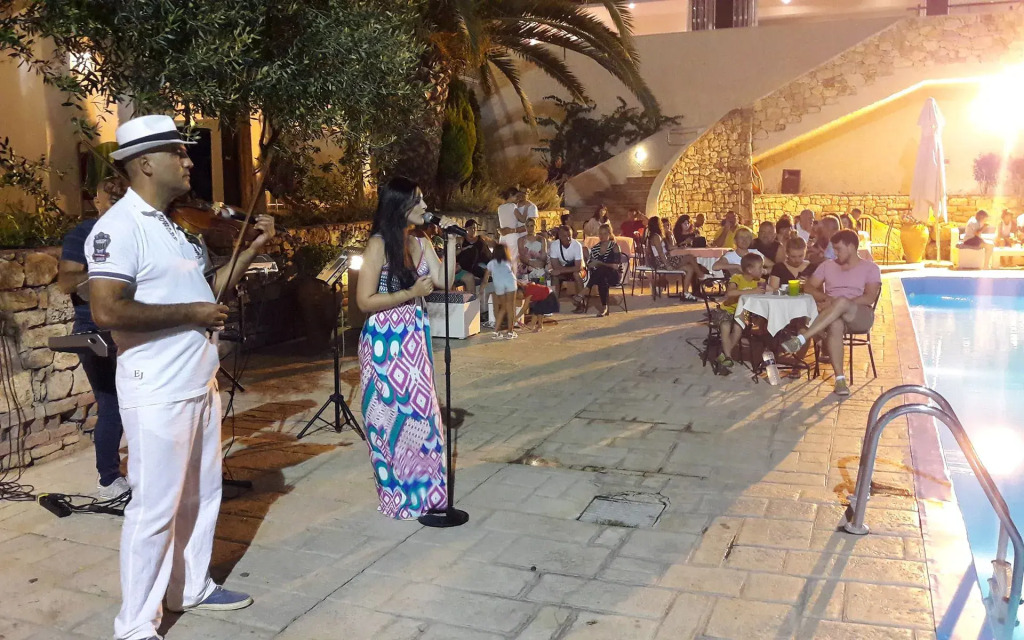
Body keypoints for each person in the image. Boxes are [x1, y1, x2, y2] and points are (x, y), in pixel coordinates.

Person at [85, 115, 277, 640]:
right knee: (154, 509)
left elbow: (207, 294)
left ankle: (189, 587)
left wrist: (251, 251)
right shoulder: (119, 228)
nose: (190, 161)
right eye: (180, 153)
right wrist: (192, 314)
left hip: (197, 381)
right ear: (146, 163)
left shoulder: (175, 226)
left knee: (201, 494)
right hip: (157, 388)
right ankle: (134, 626)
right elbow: (106, 309)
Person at [357, 176, 459, 521]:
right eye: (418, 200)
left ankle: (426, 495)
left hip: (414, 338)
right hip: (384, 342)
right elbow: (364, 301)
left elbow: (444, 280)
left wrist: (451, 240)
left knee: (424, 418)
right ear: (399, 205)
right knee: (390, 420)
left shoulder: (420, 241)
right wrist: (409, 293)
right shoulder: (377, 246)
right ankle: (399, 496)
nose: (425, 206)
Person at [57, 176, 129, 500]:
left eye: (121, 193)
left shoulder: (135, 232)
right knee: (112, 402)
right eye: (108, 194)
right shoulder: (84, 233)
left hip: (131, 326)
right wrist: (104, 270)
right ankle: (108, 480)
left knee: (140, 402)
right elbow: (66, 281)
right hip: (93, 329)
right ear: (97, 201)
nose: (115, 197)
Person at [781, 229, 882, 396]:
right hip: (832, 314)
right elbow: (809, 287)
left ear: (851, 247)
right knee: (835, 324)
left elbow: (869, 297)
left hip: (859, 314)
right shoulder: (827, 265)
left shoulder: (871, 268)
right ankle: (840, 380)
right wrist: (826, 298)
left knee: (841, 302)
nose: (834, 252)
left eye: (838, 249)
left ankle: (803, 338)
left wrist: (838, 303)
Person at [715, 253, 766, 368]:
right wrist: (752, 291)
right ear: (750, 270)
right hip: (728, 310)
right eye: (760, 267)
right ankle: (728, 356)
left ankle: (725, 355)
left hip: (743, 313)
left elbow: (772, 290)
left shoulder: (760, 281)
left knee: (738, 329)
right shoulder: (737, 278)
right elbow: (730, 293)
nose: (763, 270)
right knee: (725, 326)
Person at [646, 217, 699, 301]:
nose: (662, 225)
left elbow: (669, 247)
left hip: (666, 259)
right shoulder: (656, 237)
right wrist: (668, 265)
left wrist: (680, 246)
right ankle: (701, 276)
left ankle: (685, 293)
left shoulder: (659, 236)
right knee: (689, 257)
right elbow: (661, 253)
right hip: (662, 262)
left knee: (690, 268)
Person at [482, 244, 520, 339]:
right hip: (510, 282)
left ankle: (496, 331)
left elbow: (485, 278)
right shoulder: (508, 261)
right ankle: (510, 332)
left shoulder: (491, 263)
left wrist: (481, 289)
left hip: (498, 284)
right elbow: (512, 273)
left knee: (503, 308)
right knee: (510, 308)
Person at [548, 225, 587, 312]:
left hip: (579, 270)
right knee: (554, 276)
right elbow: (555, 266)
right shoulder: (554, 245)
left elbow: (578, 267)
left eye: (569, 235)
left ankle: (580, 304)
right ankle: (554, 304)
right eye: (565, 236)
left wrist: (560, 270)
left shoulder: (577, 245)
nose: (568, 238)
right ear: (560, 236)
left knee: (577, 275)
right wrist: (560, 270)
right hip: (564, 269)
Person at [587, 224, 623, 317]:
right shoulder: (595, 248)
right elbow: (591, 265)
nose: (602, 236)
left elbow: (615, 266)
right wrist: (592, 264)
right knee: (602, 276)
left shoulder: (614, 246)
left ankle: (586, 290)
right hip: (601, 276)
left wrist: (600, 263)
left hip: (614, 275)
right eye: (600, 234)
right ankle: (604, 308)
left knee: (602, 270)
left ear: (609, 234)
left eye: (604, 233)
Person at [497, 186, 537, 268]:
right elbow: (523, 220)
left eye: (523, 193)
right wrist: (526, 208)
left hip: (503, 237)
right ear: (511, 195)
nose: (518, 198)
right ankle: (513, 275)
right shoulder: (513, 206)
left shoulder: (500, 208)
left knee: (504, 260)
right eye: (517, 196)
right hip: (512, 237)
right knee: (513, 260)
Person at [454, 218, 493, 294]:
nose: (473, 230)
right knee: (470, 251)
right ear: (466, 229)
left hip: (481, 264)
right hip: (466, 265)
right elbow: (454, 253)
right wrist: (464, 249)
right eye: (470, 228)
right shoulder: (461, 240)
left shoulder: (481, 239)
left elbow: (495, 247)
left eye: (474, 228)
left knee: (475, 250)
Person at [517, 217, 548, 281]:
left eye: (531, 226)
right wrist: (531, 263)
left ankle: (542, 284)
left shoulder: (542, 239)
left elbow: (544, 255)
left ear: (535, 226)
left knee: (542, 275)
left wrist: (541, 263)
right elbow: (522, 256)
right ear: (525, 227)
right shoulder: (521, 240)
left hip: (539, 264)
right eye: (527, 226)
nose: (530, 228)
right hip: (526, 265)